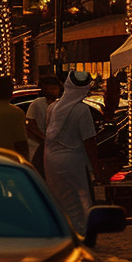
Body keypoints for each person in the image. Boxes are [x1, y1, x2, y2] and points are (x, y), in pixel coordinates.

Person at [44, 70, 102, 230]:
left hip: (51, 161)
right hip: (73, 163)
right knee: (79, 203)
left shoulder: (52, 108)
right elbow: (89, 142)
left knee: (58, 200)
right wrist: (97, 170)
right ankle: (79, 235)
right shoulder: (82, 111)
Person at [25, 75, 62, 171]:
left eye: (56, 88)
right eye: (52, 88)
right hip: (36, 146)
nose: (55, 91)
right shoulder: (37, 104)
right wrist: (43, 138)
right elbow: (30, 125)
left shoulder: (59, 105)